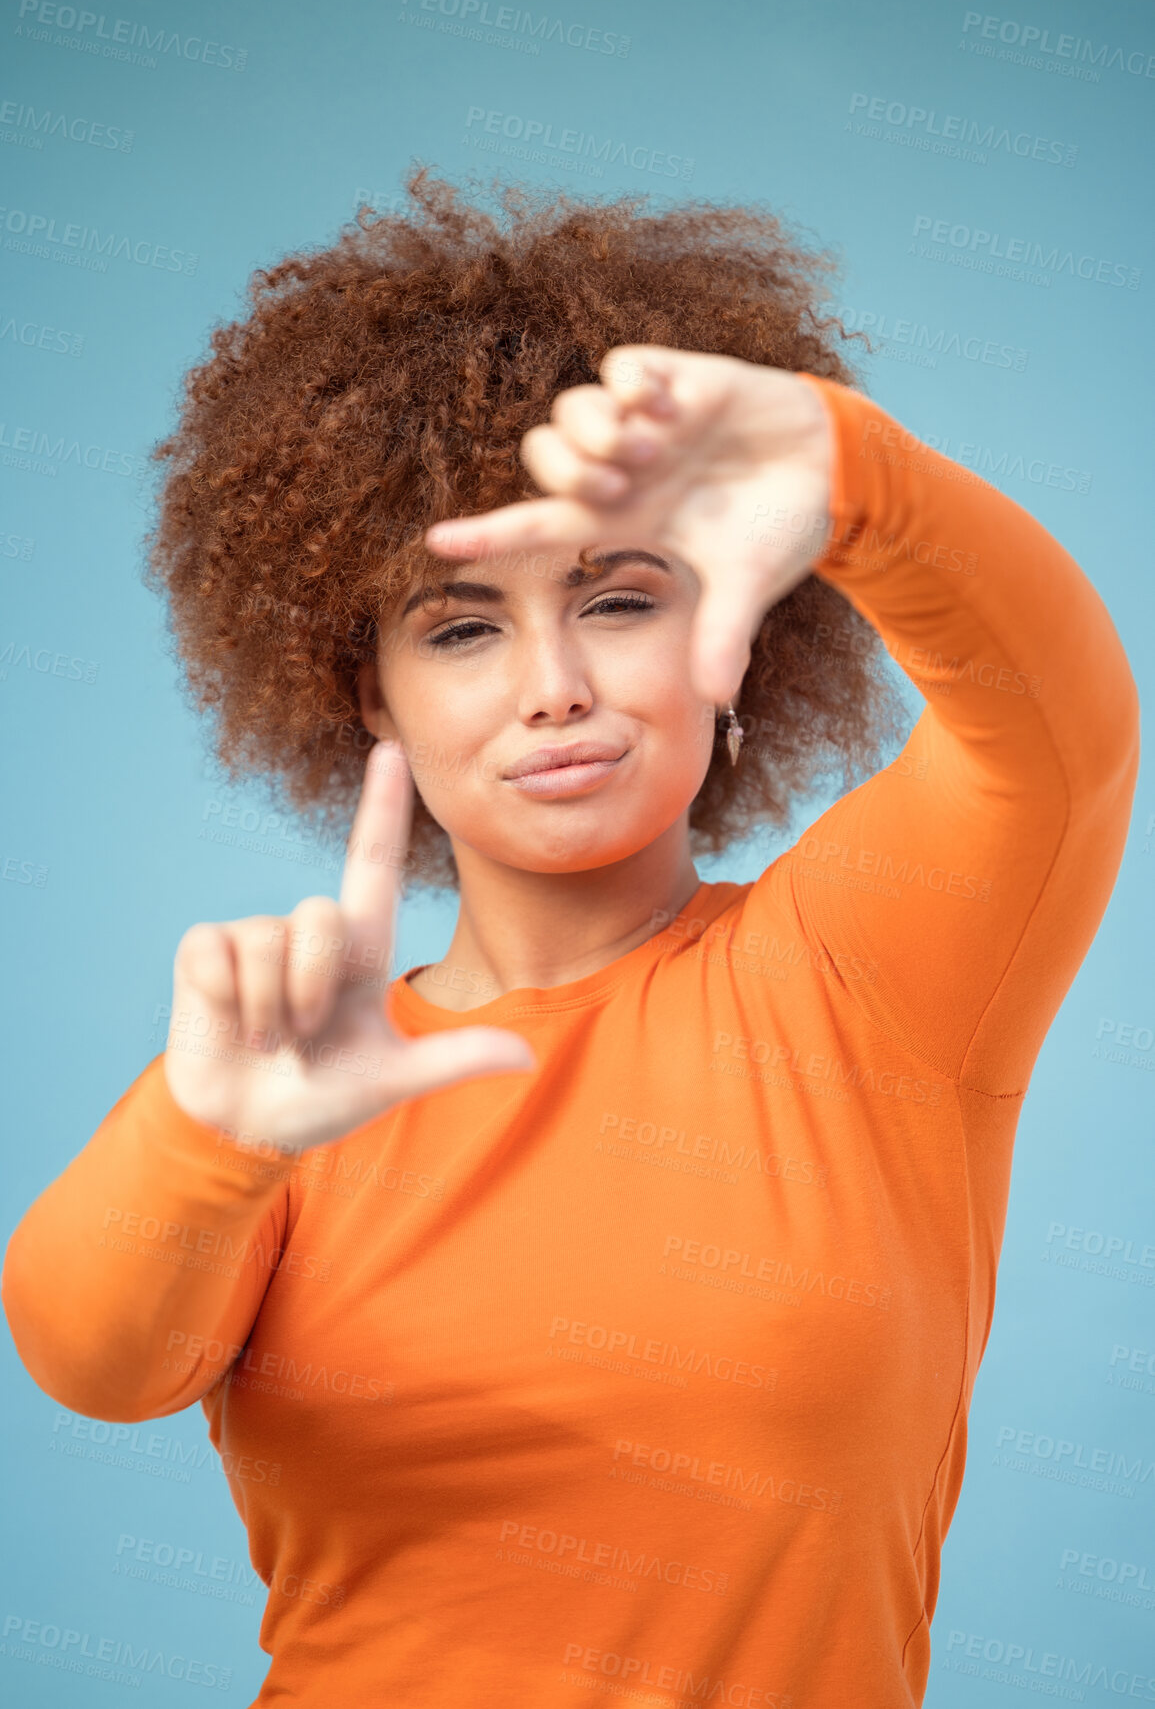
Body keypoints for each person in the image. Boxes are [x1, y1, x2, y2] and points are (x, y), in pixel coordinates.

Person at [2, 168, 1139, 1708]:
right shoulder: (305, 1077)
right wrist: (212, 1139)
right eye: (462, 628)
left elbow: (1059, 735)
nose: (554, 686)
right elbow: (94, 1363)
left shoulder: (870, 978)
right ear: (364, 690)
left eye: (618, 600)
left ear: (735, 632)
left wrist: (854, 476)